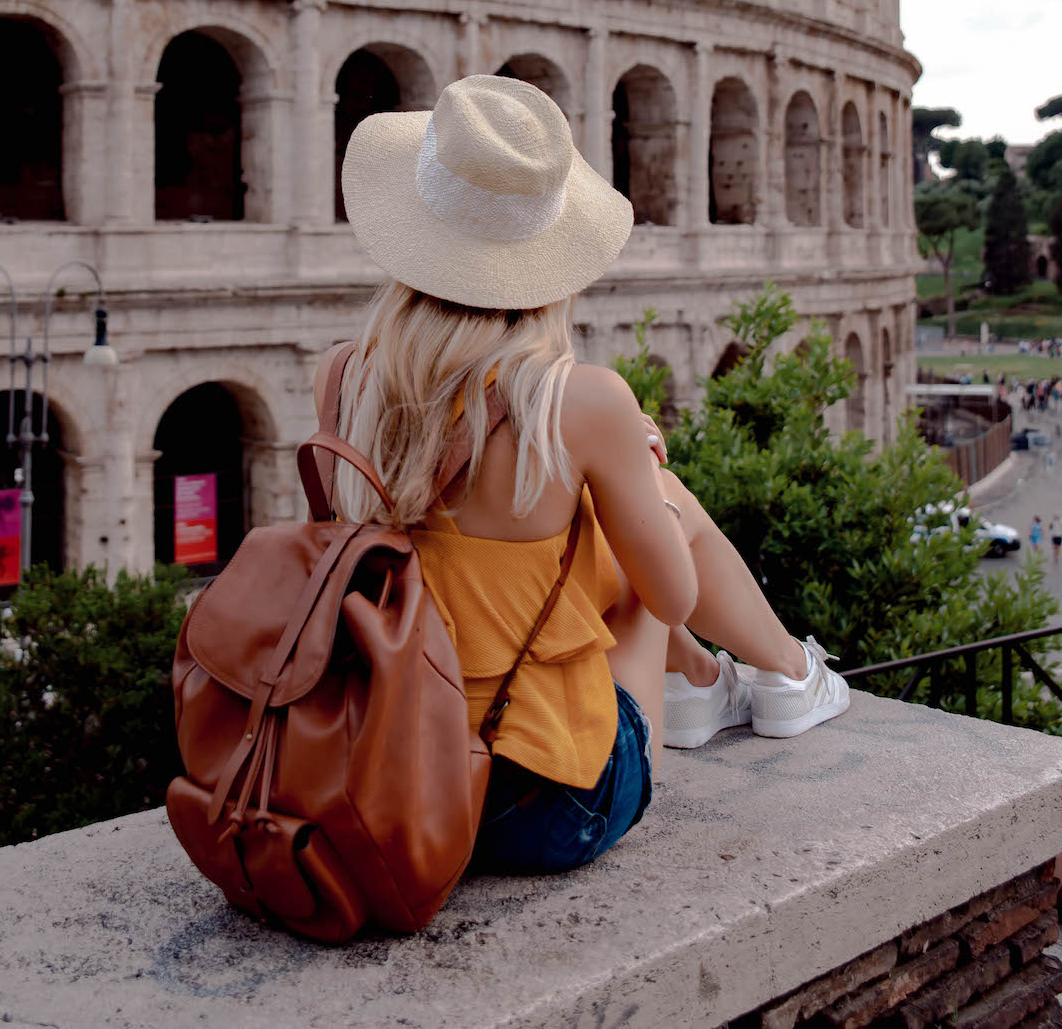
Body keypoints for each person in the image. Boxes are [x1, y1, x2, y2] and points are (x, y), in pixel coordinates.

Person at [319, 73, 849, 877]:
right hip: (547, 808)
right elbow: (670, 598)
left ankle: (721, 681)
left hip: (394, 766)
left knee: (568, 528)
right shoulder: (583, 399)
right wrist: (630, 476)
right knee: (660, 516)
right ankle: (775, 676)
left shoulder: (344, 380)